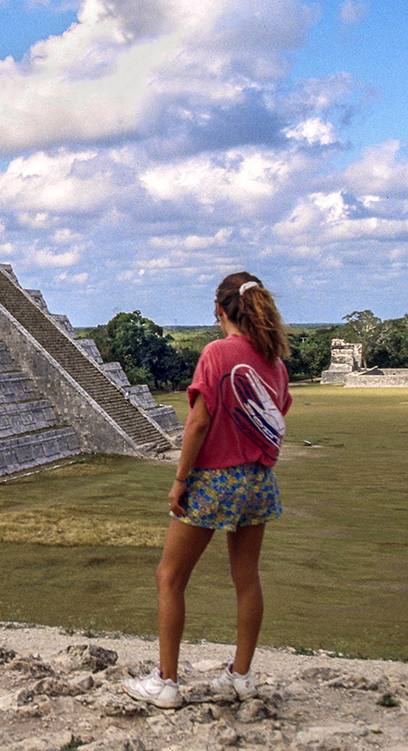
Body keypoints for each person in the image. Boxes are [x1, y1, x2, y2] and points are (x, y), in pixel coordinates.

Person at [123, 272, 291, 709]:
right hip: (257, 480)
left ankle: (166, 682)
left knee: (170, 577)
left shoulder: (217, 353)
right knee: (246, 579)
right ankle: (240, 676)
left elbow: (198, 422)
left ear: (219, 310)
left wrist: (180, 480)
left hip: (214, 479)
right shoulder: (274, 361)